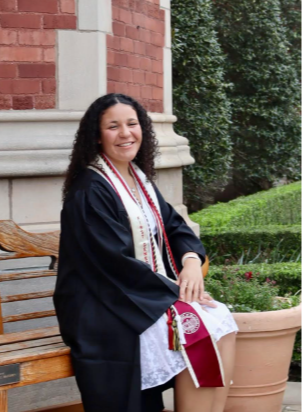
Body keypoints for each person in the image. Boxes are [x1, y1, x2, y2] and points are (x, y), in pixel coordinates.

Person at [53, 93, 238, 412]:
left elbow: (175, 227)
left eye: (132, 124)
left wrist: (191, 262)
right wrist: (175, 295)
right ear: (97, 136)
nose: (126, 133)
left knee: (220, 319)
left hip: (138, 295)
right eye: (113, 126)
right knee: (199, 325)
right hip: (102, 306)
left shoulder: (139, 181)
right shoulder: (90, 189)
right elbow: (112, 265)